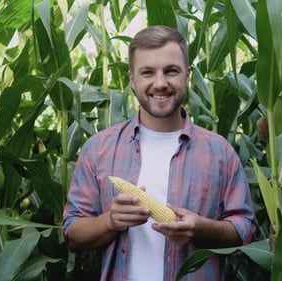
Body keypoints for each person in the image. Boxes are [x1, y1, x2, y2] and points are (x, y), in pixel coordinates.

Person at [63, 25, 256, 281]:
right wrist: (110, 221)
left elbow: (245, 228)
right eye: (148, 73)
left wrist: (202, 228)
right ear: (132, 79)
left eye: (171, 71)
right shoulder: (98, 149)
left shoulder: (219, 152)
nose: (160, 83)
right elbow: (72, 233)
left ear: (187, 75)